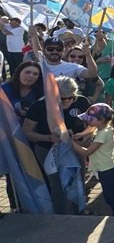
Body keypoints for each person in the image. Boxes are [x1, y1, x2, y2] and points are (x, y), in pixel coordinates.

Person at [23, 77, 90, 214]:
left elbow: (92, 125)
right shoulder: (40, 106)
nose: (67, 102)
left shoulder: (82, 102)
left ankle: (79, 210)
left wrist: (84, 137)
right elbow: (27, 131)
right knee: (57, 184)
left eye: (71, 98)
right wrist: (48, 138)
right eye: (62, 99)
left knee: (77, 178)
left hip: (74, 147)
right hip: (48, 150)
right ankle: (63, 214)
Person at [1, 61, 43, 211]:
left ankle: (37, 204)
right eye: (27, 72)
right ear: (19, 72)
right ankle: (15, 206)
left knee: (34, 170)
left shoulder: (40, 93)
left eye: (35, 74)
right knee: (12, 174)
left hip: (32, 138)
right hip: (8, 138)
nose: (30, 76)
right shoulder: (5, 89)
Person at [71, 103, 114, 216]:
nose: (87, 121)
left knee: (110, 196)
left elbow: (87, 152)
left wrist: (70, 142)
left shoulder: (103, 134)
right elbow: (90, 134)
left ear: (102, 119)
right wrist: (79, 136)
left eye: (90, 119)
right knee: (109, 195)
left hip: (107, 169)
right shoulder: (103, 129)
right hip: (107, 167)